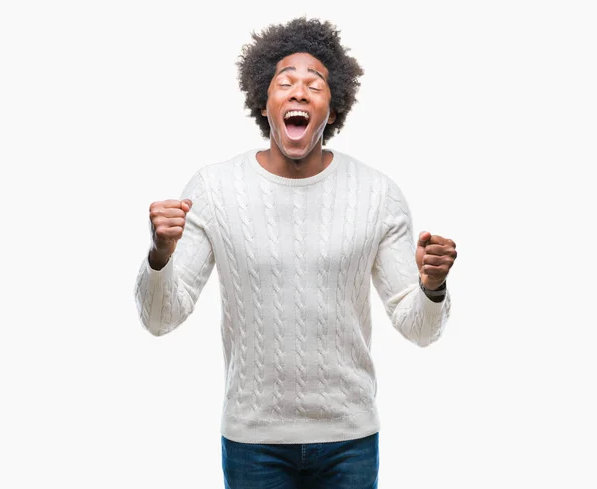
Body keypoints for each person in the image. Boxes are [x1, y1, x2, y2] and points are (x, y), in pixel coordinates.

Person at [134, 16, 457, 489]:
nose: (299, 92)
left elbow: (418, 328)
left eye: (315, 84)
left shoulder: (376, 194)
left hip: (349, 439)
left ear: (334, 105)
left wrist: (432, 287)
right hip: (254, 443)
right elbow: (161, 318)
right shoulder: (214, 190)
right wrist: (160, 254)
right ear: (264, 102)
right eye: (285, 82)